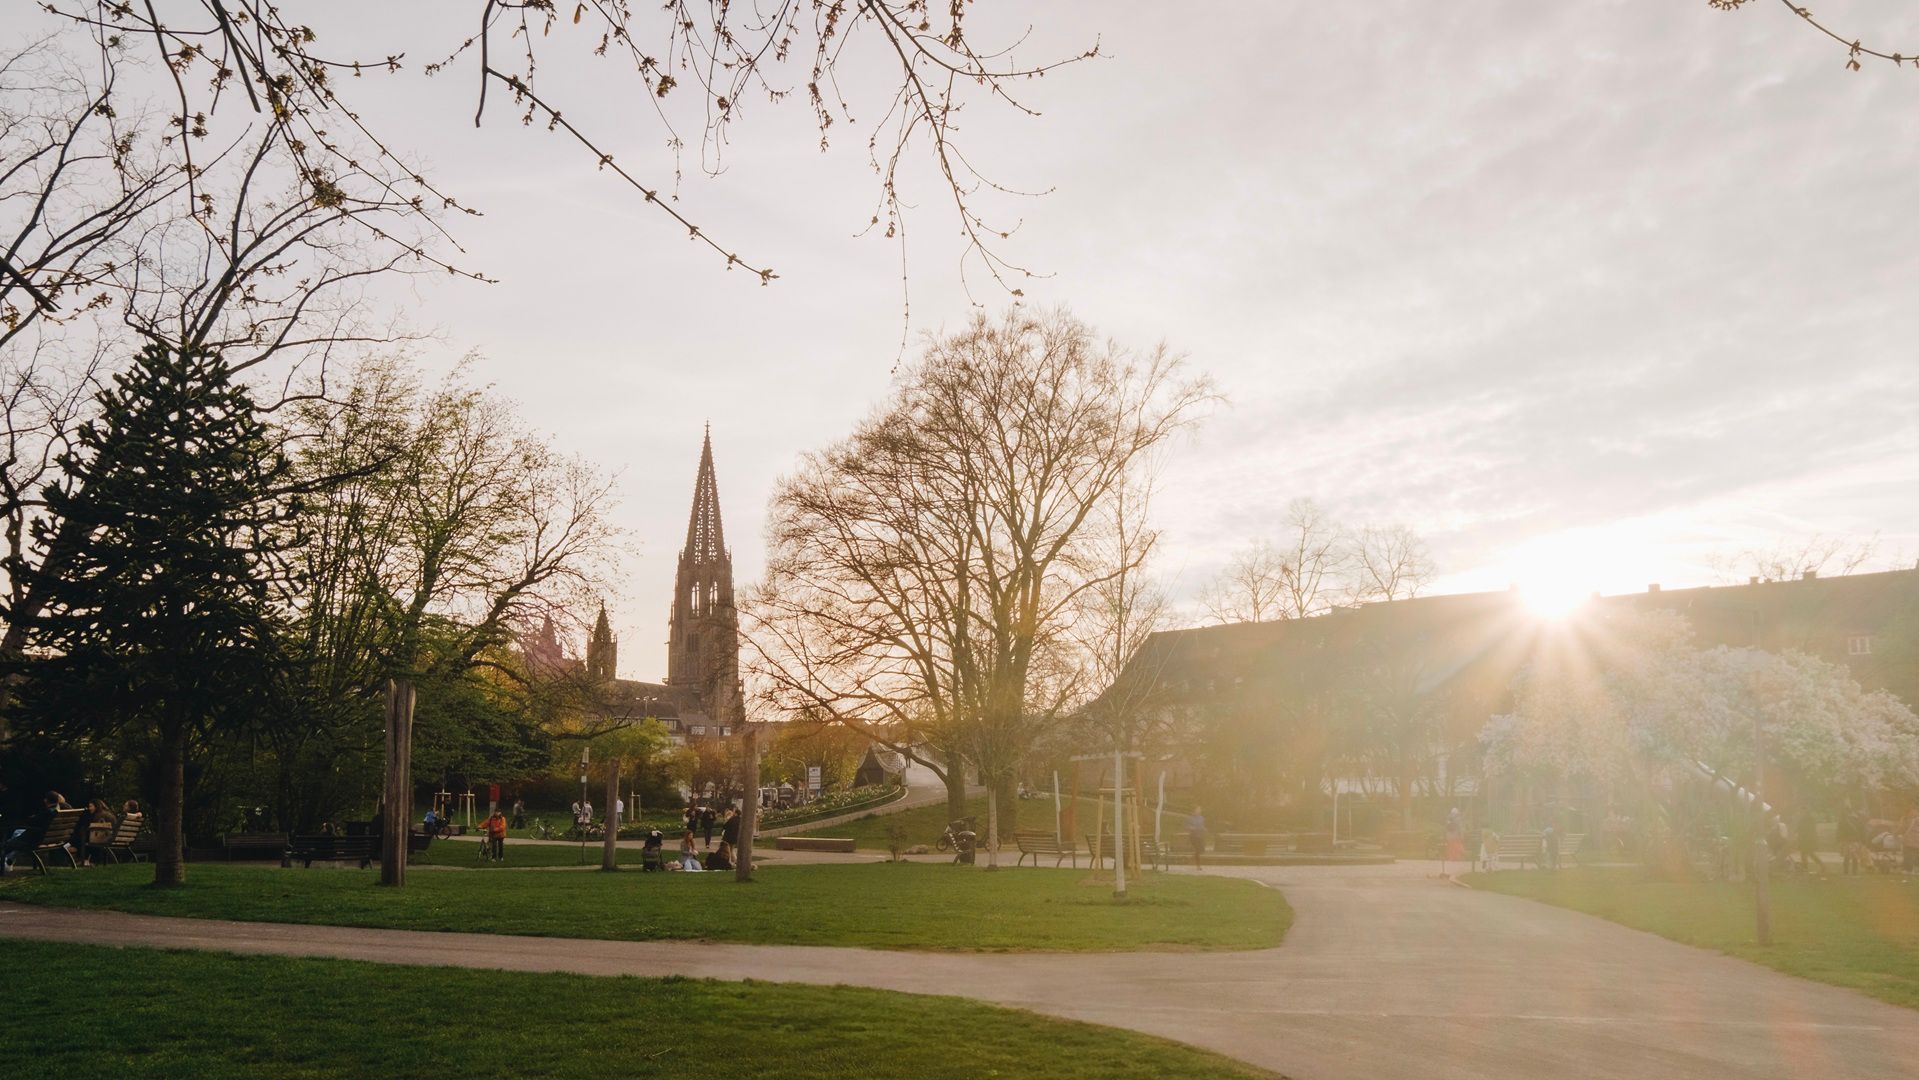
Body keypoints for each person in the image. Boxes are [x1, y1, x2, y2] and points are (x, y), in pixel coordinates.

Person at [1795, 807, 1824, 874]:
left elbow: (1808, 830)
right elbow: (1800, 829)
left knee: (1809, 854)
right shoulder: (1805, 819)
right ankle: (1806, 867)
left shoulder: (1808, 819)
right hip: (1805, 839)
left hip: (1807, 840)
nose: (1801, 812)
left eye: (1802, 811)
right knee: (1805, 854)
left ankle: (1821, 866)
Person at [1185, 806, 1206, 870]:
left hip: (1200, 835)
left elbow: (1202, 825)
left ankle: (1192, 858)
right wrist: (1192, 828)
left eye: (1200, 809)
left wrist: (1204, 829)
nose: (1199, 810)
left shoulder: (1202, 818)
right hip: (1193, 836)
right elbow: (1186, 826)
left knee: (1202, 850)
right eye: (1198, 809)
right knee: (1197, 850)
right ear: (1194, 810)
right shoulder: (1189, 818)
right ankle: (1198, 866)